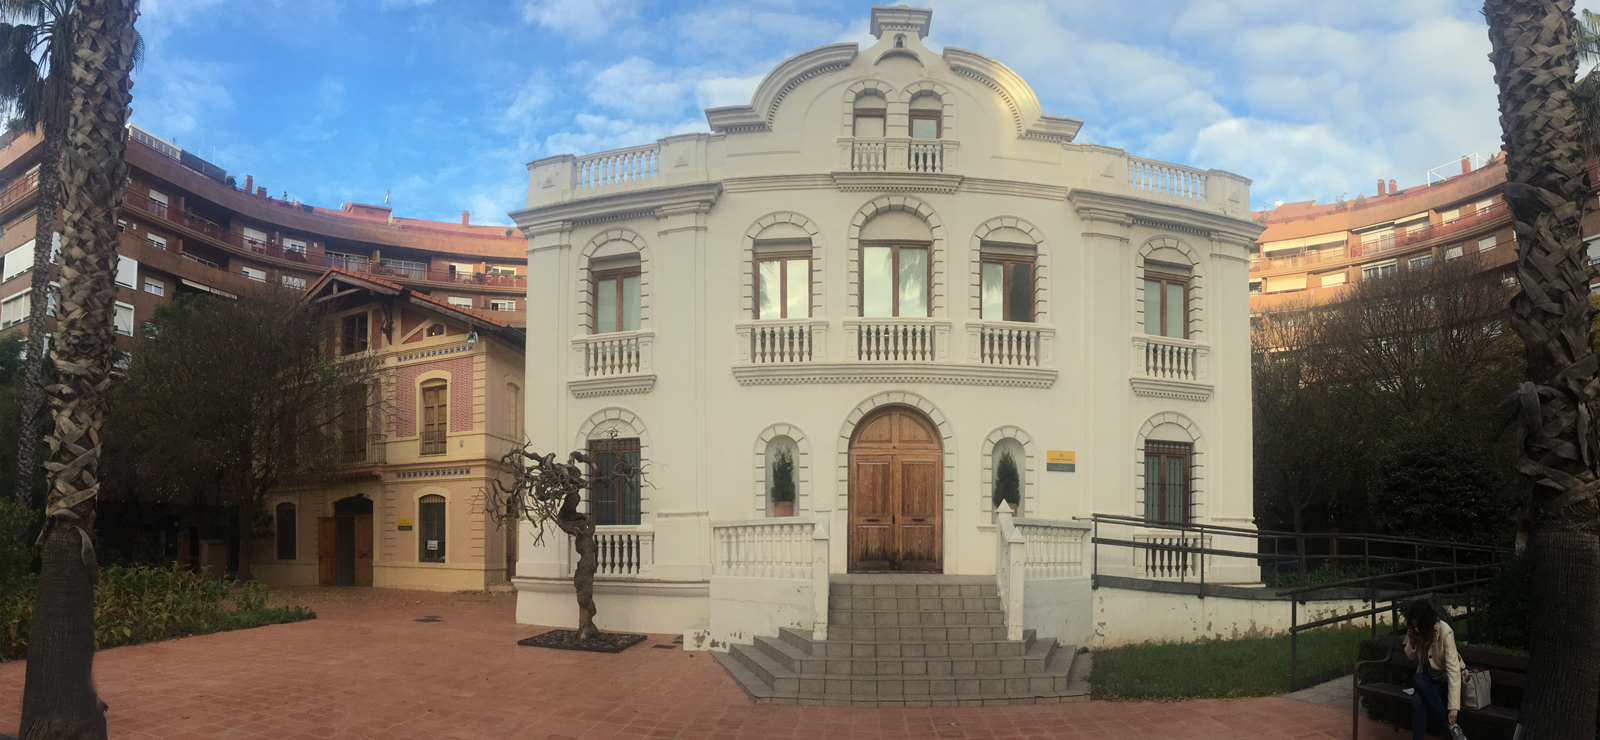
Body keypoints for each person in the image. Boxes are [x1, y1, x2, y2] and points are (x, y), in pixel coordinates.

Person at [1403, 600, 1467, 740]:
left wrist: (1454, 707)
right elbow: (1410, 655)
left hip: (1443, 681)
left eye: (1417, 625)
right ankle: (1450, 725)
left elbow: (1453, 670)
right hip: (1426, 680)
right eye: (1413, 625)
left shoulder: (1444, 631)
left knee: (1418, 701)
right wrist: (1412, 640)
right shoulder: (1417, 631)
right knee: (1417, 678)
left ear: (1425, 622)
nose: (1416, 628)